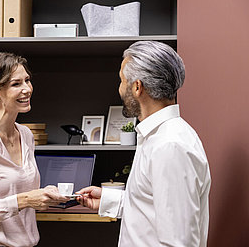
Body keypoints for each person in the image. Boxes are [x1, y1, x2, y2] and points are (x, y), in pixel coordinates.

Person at [77, 41, 211, 247]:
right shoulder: (157, 137)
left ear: (137, 87)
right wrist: (107, 199)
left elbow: (178, 242)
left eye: (122, 81)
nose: (120, 89)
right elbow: (152, 210)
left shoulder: (169, 145)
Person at [0, 52, 69, 247]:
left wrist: (43, 194)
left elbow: (20, 190)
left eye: (27, 80)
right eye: (16, 84)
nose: (27, 89)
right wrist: (23, 200)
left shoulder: (26, 135)